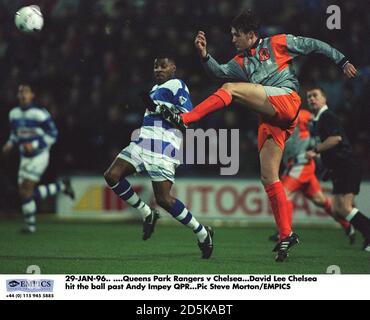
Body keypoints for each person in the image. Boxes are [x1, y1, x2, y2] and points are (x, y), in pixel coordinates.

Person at [160, 10, 357, 261]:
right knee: (269, 177)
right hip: (271, 119)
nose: (232, 40)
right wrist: (204, 56)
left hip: (286, 100)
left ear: (251, 35)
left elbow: (314, 45)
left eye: (236, 35)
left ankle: (185, 119)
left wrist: (341, 61)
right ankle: (286, 235)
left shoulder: (277, 43)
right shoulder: (241, 61)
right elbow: (219, 71)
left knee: (230, 89)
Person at [103, 55, 214, 259]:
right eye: (155, 66)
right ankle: (146, 212)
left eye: (163, 66)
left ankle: (202, 232)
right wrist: (155, 108)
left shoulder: (177, 85)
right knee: (112, 175)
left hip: (163, 148)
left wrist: (160, 109)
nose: (158, 69)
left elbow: (185, 121)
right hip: (142, 141)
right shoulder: (154, 90)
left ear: (173, 68)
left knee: (164, 199)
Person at [269, 109, 355, 244]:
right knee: (319, 200)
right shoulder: (277, 118)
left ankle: (284, 234)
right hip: (295, 165)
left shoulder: (303, 115)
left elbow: (317, 126)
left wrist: (316, 145)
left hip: (301, 164)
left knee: (282, 195)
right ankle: (347, 225)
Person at [2, 83, 75, 234]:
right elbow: (16, 134)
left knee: (27, 188)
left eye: (26, 92)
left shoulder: (39, 113)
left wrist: (35, 145)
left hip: (39, 155)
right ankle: (61, 186)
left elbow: (53, 134)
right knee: (25, 192)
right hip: (24, 156)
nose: (23, 94)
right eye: (20, 92)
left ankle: (30, 227)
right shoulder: (13, 113)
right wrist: (9, 144)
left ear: (32, 95)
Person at [306, 87, 370, 252]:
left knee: (343, 207)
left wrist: (316, 150)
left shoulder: (327, 116)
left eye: (315, 95)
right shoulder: (319, 120)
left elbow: (335, 139)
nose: (311, 99)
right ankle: (366, 235)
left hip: (346, 165)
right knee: (337, 209)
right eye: (308, 97)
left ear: (324, 98)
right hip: (339, 168)